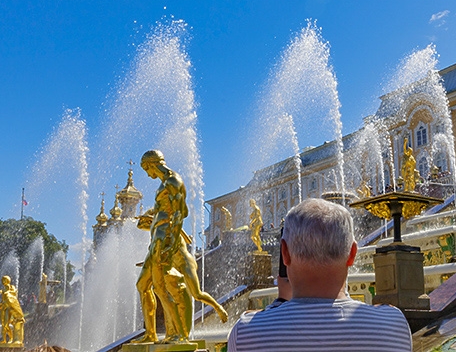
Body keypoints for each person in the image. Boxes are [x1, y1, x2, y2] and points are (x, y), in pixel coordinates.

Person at [227, 198, 412, 352]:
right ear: (352, 253)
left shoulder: (245, 332)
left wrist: (276, 308)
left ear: (284, 253)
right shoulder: (393, 325)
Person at [134, 149, 228, 344]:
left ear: (151, 164)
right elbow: (168, 211)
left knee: (161, 289)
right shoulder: (163, 185)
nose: (147, 174)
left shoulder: (173, 181)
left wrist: (171, 244)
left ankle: (177, 334)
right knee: (143, 285)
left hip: (164, 240)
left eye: (146, 169)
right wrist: (149, 219)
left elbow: (180, 214)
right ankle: (151, 334)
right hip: (156, 240)